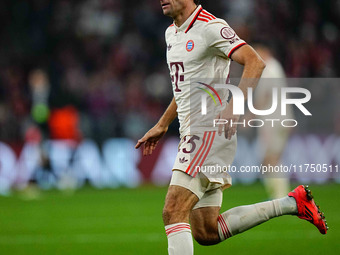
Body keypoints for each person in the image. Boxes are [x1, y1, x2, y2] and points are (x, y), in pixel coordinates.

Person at [135, 1, 328, 254]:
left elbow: (255, 62)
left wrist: (237, 104)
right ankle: (292, 203)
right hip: (192, 132)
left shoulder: (210, 27)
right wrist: (162, 124)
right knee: (206, 231)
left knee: (173, 210)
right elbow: (185, 89)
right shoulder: (171, 33)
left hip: (207, 131)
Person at [253, 43, 294, 199]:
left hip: (274, 120)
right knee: (270, 159)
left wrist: (250, 114)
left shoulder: (269, 68)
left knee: (271, 159)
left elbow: (265, 95)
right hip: (278, 119)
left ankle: (281, 196)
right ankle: (279, 195)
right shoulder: (275, 67)